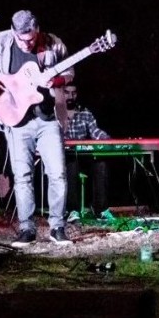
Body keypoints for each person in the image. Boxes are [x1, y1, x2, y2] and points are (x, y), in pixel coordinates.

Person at [0, 9, 73, 247]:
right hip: (16, 119)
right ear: (14, 33)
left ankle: (57, 226)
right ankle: (27, 228)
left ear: (37, 30)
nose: (26, 44)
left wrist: (56, 80)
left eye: (30, 39)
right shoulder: (2, 41)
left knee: (57, 173)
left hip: (48, 119)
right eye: (21, 40)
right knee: (22, 176)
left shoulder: (53, 43)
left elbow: (69, 72)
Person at [62, 83, 111, 221]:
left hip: (83, 156)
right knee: (71, 165)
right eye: (67, 92)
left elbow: (95, 131)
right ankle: (73, 210)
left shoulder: (85, 113)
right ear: (61, 94)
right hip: (64, 157)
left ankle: (100, 209)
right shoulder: (56, 113)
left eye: (73, 93)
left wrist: (108, 140)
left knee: (100, 163)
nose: (70, 96)